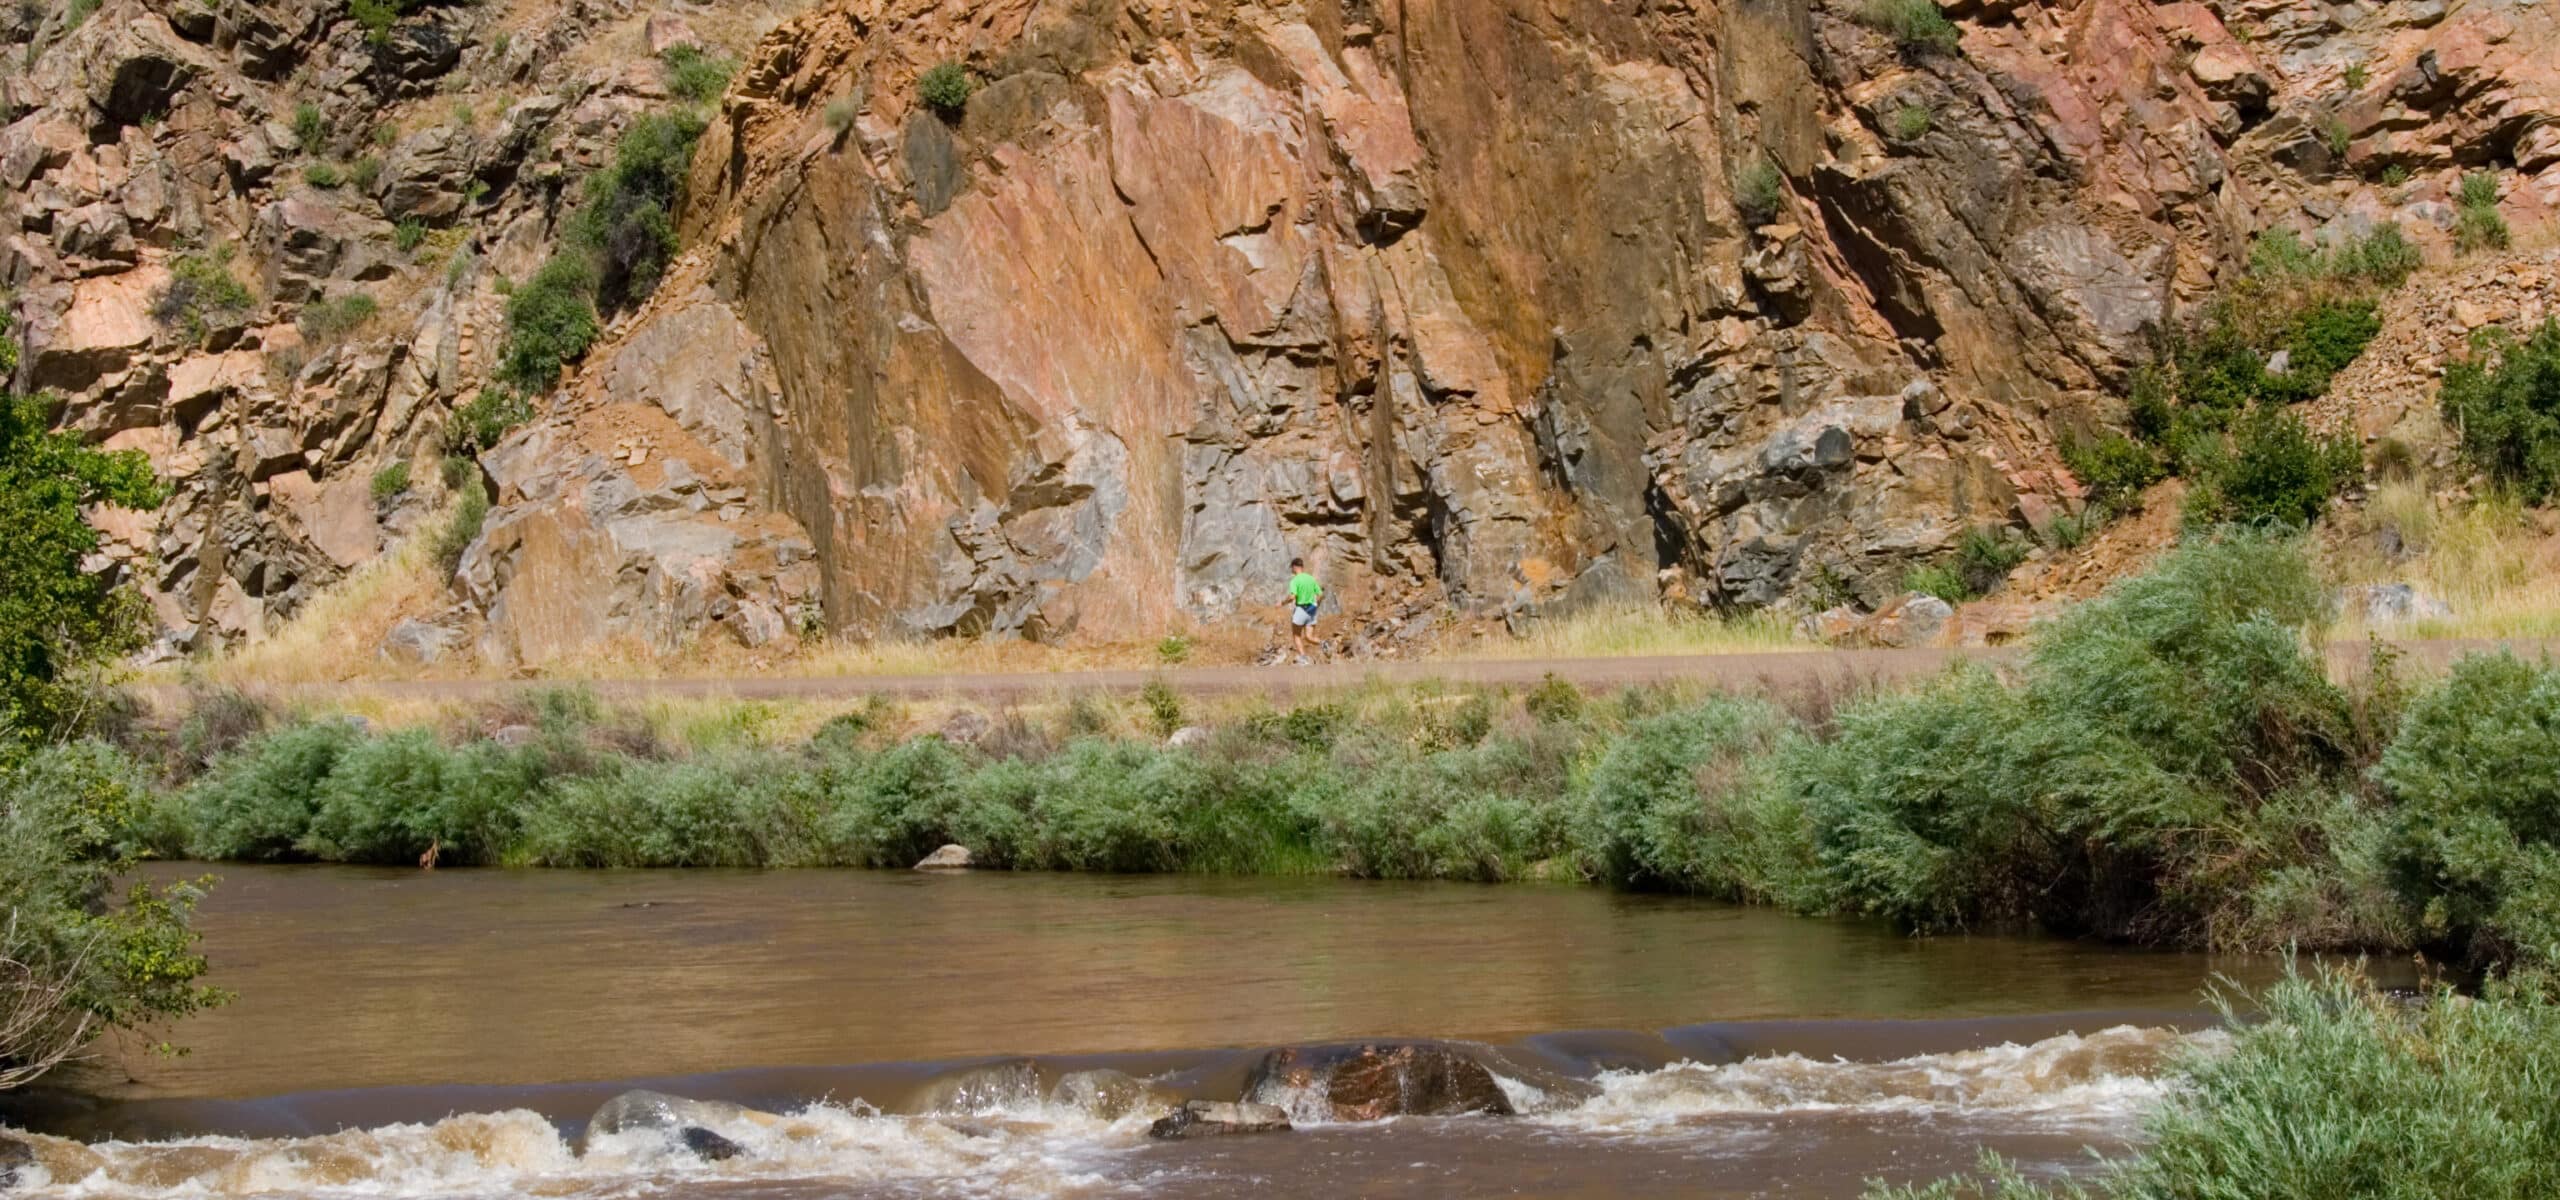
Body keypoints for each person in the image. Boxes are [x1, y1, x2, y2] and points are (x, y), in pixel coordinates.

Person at [1284, 557, 1324, 665]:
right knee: (1309, 637)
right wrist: (1316, 605)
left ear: (1295, 567)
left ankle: (1303, 658)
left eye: (1292, 568)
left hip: (1301, 609)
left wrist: (1283, 603)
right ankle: (1324, 644)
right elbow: (1320, 594)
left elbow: (1292, 597)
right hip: (1312, 610)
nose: (1292, 570)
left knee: (1296, 635)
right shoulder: (1311, 578)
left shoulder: (1295, 580)